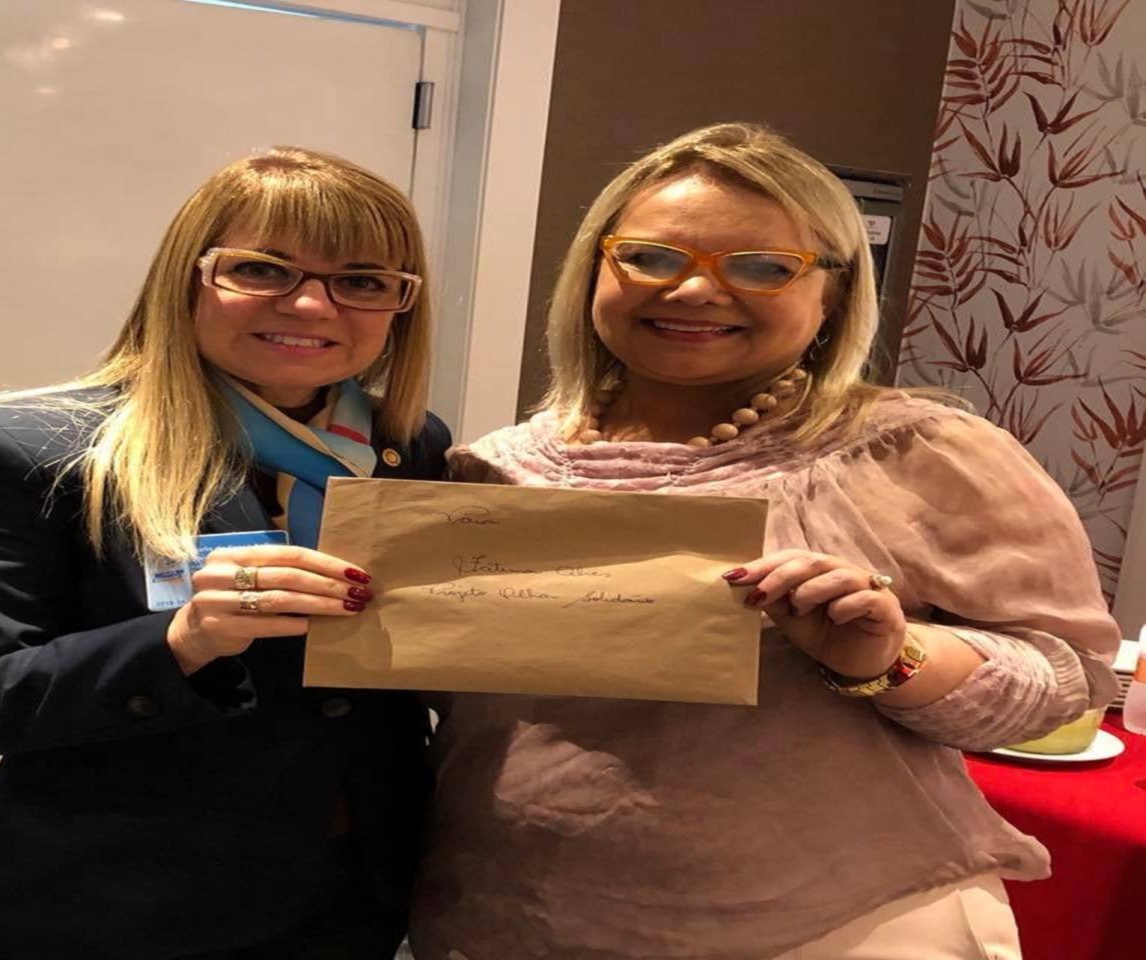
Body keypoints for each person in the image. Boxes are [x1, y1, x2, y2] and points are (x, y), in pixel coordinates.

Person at [408, 123, 1120, 960]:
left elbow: (1066, 678)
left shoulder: (919, 452)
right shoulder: (489, 469)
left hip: (840, 925)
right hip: (508, 912)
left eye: (760, 267)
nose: (693, 290)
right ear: (595, 268)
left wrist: (891, 657)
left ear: (831, 296)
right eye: (650, 257)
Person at [0, 147, 450, 960]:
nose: (310, 304)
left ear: (401, 304)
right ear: (187, 276)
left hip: (348, 897)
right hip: (117, 905)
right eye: (262, 269)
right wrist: (181, 641)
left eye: (362, 281)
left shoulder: (408, 446)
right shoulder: (25, 449)